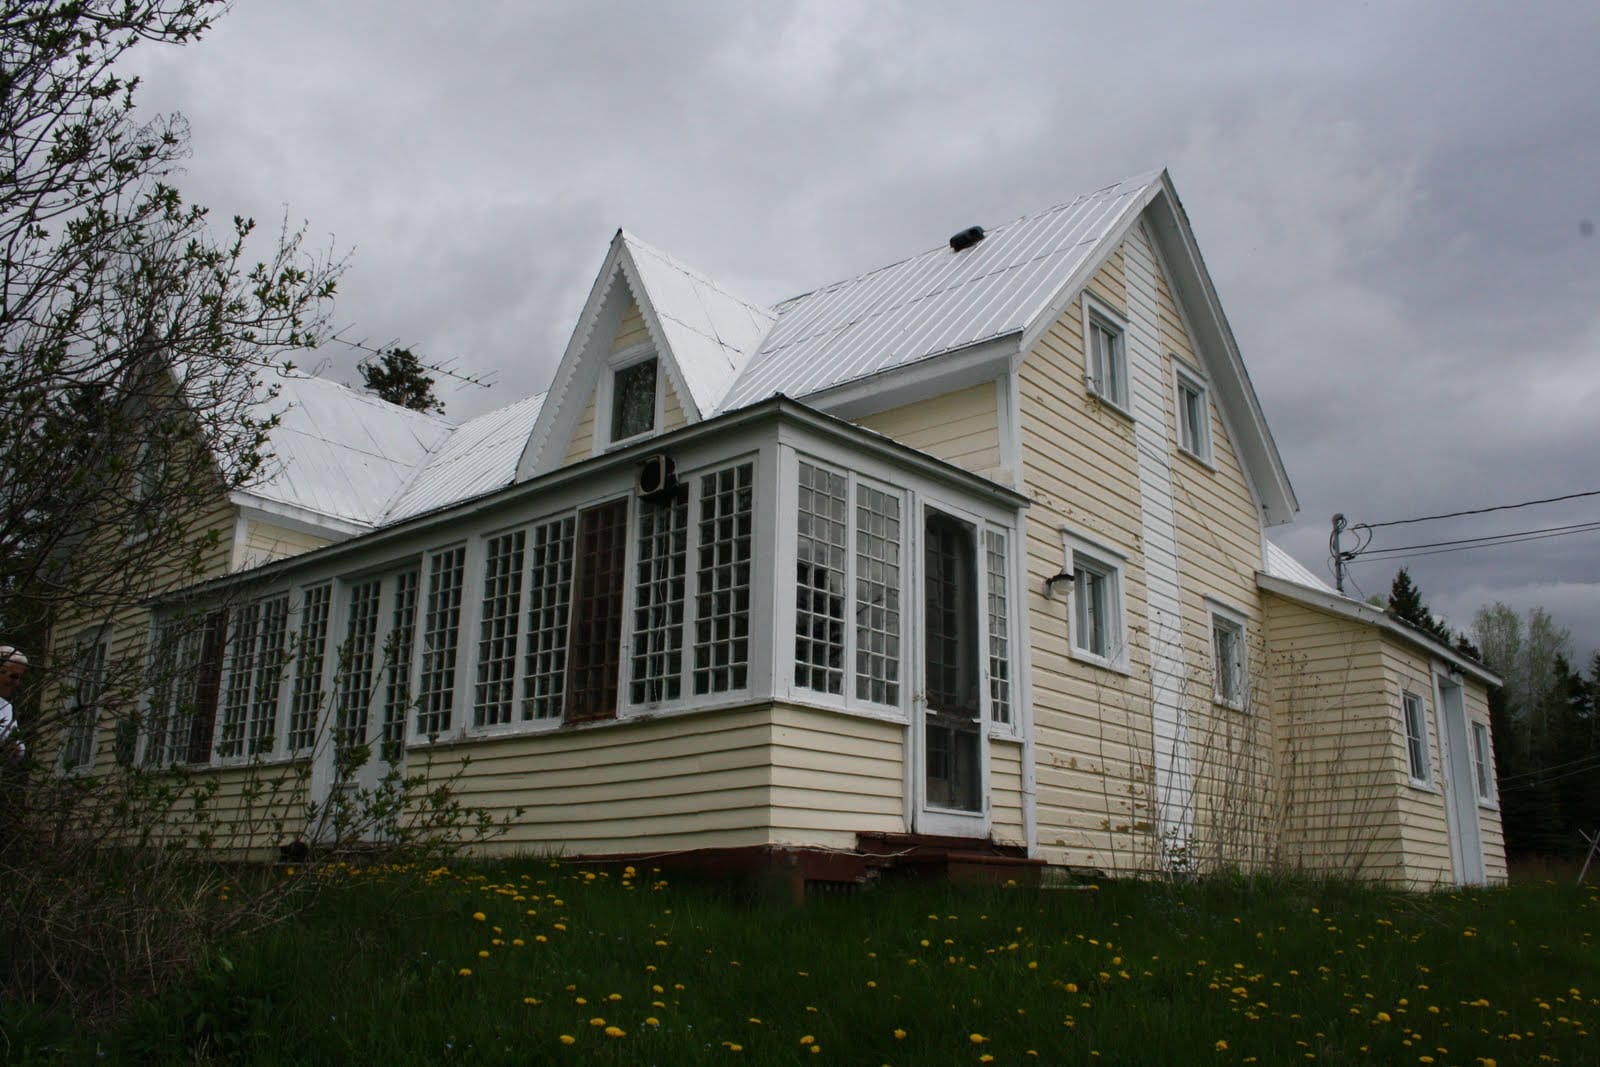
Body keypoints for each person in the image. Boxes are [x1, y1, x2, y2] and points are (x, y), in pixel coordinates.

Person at [0, 646, 26, 759]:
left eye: (20, 678)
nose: (16, 683)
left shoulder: (6, 707)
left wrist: (16, 749)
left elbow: (19, 747)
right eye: (14, 676)